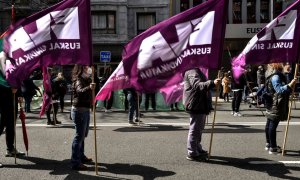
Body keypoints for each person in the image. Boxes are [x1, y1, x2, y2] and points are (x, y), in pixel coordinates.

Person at [183, 68, 220, 161]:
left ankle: (197, 148)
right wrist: (212, 82)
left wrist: (213, 83)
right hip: (196, 104)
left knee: (198, 129)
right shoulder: (192, 71)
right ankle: (192, 152)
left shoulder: (196, 70)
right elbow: (197, 85)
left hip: (199, 104)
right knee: (195, 129)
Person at [264, 63, 296, 155]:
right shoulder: (276, 76)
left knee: (269, 123)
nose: (284, 64)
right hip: (276, 103)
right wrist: (289, 85)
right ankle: (273, 147)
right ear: (277, 65)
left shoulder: (269, 73)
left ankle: (269, 144)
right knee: (272, 125)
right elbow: (279, 90)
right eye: (282, 63)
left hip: (271, 102)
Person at [70, 65, 95, 170]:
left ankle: (81, 156)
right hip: (79, 110)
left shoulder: (86, 79)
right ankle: (75, 162)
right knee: (79, 136)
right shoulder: (78, 80)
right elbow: (80, 91)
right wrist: (89, 87)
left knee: (82, 135)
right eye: (85, 68)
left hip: (84, 109)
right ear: (81, 70)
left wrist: (92, 77)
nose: (87, 69)